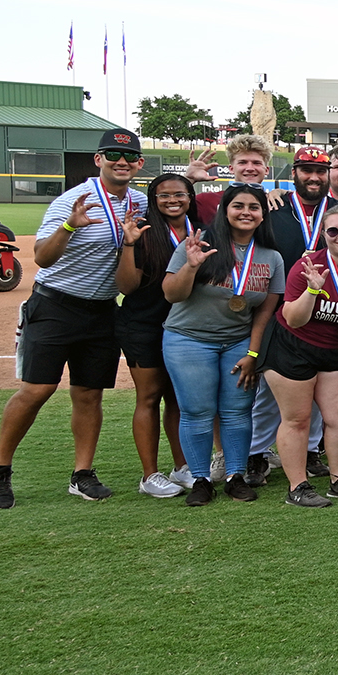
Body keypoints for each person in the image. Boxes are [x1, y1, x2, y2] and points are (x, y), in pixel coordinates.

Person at [0, 128, 148, 509]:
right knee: (36, 390)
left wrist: (188, 178)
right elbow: (42, 257)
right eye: (112, 155)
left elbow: (174, 201)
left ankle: (82, 473)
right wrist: (71, 226)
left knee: (89, 394)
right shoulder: (73, 200)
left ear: (139, 164)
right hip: (56, 305)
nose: (120, 162)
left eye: (128, 157)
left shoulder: (138, 202)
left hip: (103, 310)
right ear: (98, 160)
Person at [160, 185, 285, 507]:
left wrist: (253, 354)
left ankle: (235, 477)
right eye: (238, 206)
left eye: (254, 207)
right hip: (189, 339)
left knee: (237, 412)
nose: (246, 212)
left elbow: (264, 314)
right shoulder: (201, 245)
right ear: (225, 211)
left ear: (262, 214)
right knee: (197, 411)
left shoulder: (272, 257)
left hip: (238, 341)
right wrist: (190, 265)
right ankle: (201, 479)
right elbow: (172, 295)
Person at [265, 204, 338, 507]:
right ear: (324, 235)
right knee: (298, 418)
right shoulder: (308, 267)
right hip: (293, 347)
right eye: (333, 230)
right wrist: (313, 291)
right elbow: (293, 318)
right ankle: (298, 487)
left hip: (336, 351)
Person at [248, 145, 338, 486]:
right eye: (307, 170)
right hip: (279, 310)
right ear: (295, 174)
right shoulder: (274, 206)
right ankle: (257, 454)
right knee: (269, 390)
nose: (314, 177)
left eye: (321, 171)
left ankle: (311, 450)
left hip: (324, 311)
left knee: (318, 388)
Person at [115, 173, 199, 497]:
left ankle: (181, 467)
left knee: (178, 399)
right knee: (149, 397)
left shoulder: (199, 229)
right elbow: (126, 287)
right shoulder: (144, 231)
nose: (172, 200)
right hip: (143, 325)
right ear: (153, 199)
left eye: (179, 194)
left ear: (190, 197)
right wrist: (129, 243)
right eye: (163, 196)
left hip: (183, 326)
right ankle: (149, 475)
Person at [184, 134, 273, 223]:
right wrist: (188, 179)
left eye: (256, 163)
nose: (250, 168)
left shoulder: (276, 202)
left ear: (267, 170)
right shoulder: (207, 201)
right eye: (242, 162)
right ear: (231, 169)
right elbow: (173, 210)